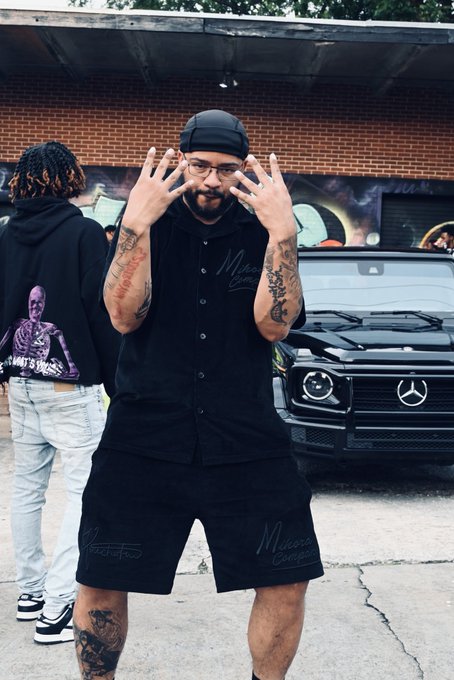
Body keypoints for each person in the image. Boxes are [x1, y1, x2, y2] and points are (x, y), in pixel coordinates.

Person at [74, 109, 324, 680]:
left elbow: (274, 325)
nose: (212, 180)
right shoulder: (146, 223)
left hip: (245, 434)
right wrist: (135, 225)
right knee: (100, 577)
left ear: (244, 170)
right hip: (144, 434)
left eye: (227, 169)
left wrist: (284, 233)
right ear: (180, 161)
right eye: (200, 166)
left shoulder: (262, 231)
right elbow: (123, 316)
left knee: (287, 576)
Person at [0, 141, 120, 645]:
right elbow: (101, 312)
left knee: (27, 489)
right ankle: (57, 605)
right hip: (70, 388)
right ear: (70, 178)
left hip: (20, 380)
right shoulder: (84, 232)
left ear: (23, 180)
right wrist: (118, 382)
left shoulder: (7, 234)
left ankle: (30, 592)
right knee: (84, 493)